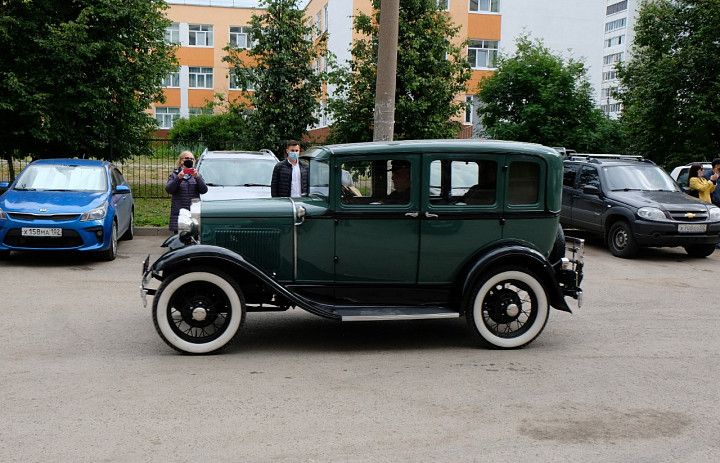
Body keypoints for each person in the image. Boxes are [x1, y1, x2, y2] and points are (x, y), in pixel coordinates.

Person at [165, 150, 208, 233]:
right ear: (181, 161)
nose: (189, 160)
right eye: (187, 158)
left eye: (192, 159)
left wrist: (197, 177)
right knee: (179, 239)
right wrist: (178, 178)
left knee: (194, 238)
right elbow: (169, 190)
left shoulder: (196, 174)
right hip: (179, 213)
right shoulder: (175, 174)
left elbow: (204, 190)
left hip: (193, 212)